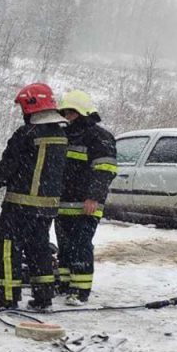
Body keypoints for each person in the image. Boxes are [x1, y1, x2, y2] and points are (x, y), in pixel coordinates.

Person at [0, 83, 68, 310]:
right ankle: (43, 297)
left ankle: (7, 297)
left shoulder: (27, 133)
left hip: (20, 205)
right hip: (47, 207)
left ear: (30, 107)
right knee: (39, 249)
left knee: (8, 249)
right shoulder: (60, 135)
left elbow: (9, 165)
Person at [55, 90, 118, 304]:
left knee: (80, 246)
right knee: (64, 246)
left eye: (71, 112)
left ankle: (80, 291)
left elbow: (105, 169)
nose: (67, 116)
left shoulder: (100, 137)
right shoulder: (64, 134)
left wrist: (94, 197)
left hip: (86, 204)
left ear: (82, 112)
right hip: (63, 203)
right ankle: (64, 284)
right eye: (65, 112)